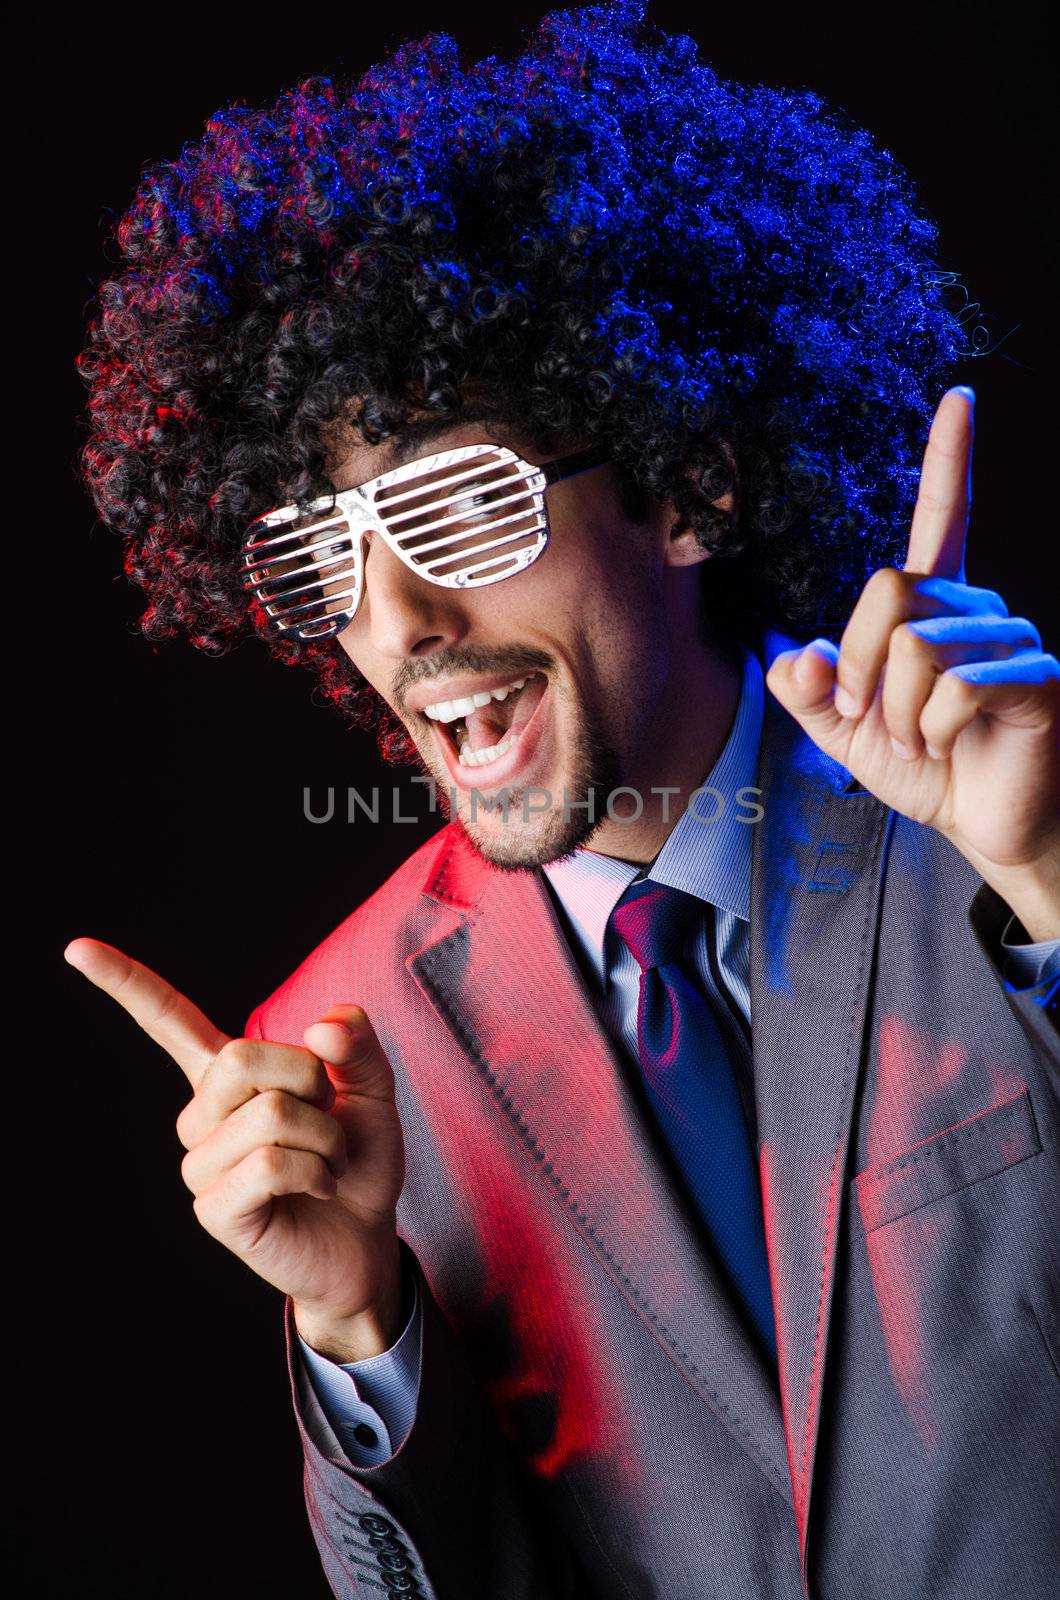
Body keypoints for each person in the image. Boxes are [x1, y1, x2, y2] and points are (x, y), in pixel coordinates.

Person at [67, 6, 1059, 1597]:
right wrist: (355, 1331)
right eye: (328, 554)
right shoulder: (339, 1055)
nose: (394, 627)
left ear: (688, 488)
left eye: (458, 504)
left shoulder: (1004, 831)